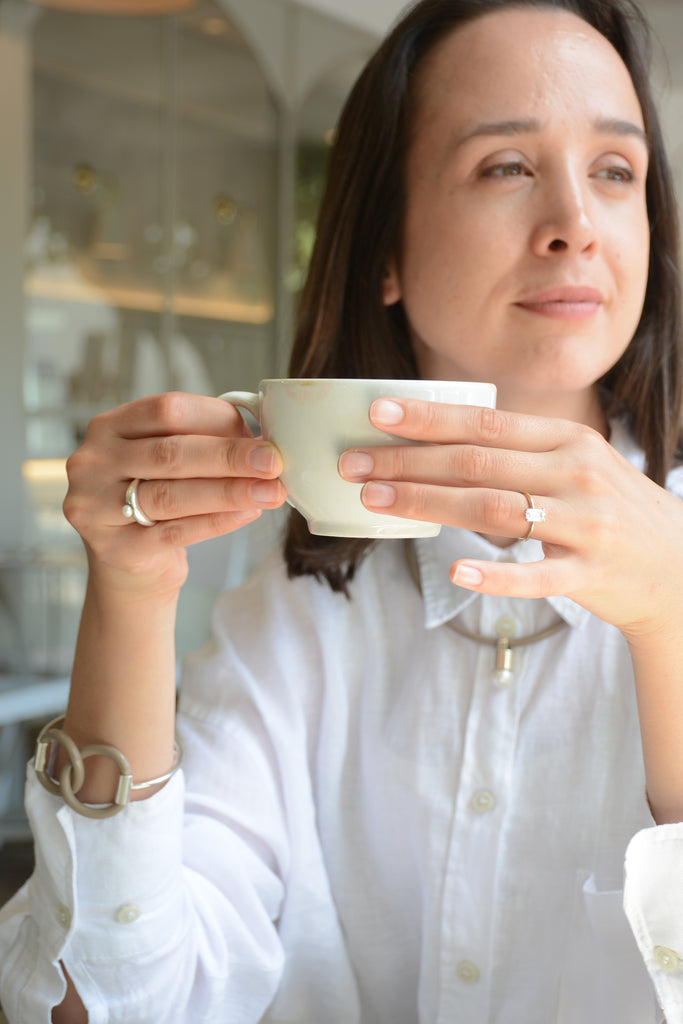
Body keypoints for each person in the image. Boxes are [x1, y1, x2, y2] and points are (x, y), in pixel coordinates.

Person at [2, 0, 683, 1020]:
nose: (574, 224)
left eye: (614, 172)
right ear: (384, 254)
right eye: (504, 165)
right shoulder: (299, 603)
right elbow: (114, 1004)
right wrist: (130, 591)